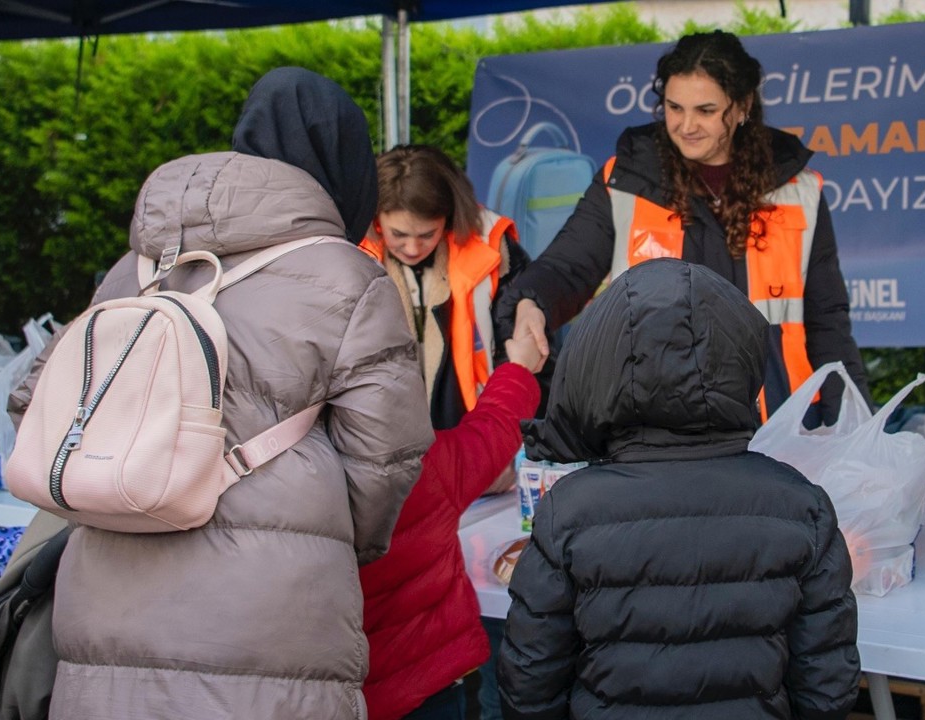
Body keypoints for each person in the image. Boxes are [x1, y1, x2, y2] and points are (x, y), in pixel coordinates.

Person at [11, 67, 435, 719]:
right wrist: (327, 537)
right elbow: (386, 458)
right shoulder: (351, 277)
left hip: (104, 597)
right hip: (272, 617)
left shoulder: (141, 267)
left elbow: (33, 402)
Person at [498, 258, 861, 719]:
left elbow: (530, 683)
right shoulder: (802, 506)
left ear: (598, 371)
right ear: (740, 363)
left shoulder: (567, 512)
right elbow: (828, 689)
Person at [493, 30, 869, 425]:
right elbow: (566, 267)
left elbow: (828, 322)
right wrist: (531, 302)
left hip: (777, 423)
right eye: (674, 107)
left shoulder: (799, 190)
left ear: (742, 107)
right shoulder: (625, 179)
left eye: (706, 110)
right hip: (653, 423)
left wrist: (854, 426)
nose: (686, 125)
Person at [359, 326, 545, 720]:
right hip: (430, 688)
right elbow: (494, 425)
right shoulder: (427, 468)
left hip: (333, 695)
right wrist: (520, 367)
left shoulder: (277, 487)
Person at [360, 145, 535, 433]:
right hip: (384, 434)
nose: (413, 248)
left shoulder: (493, 248)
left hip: (474, 428)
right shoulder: (352, 254)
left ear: (450, 217)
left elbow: (518, 339)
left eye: (427, 234)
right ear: (376, 220)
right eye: (398, 234)